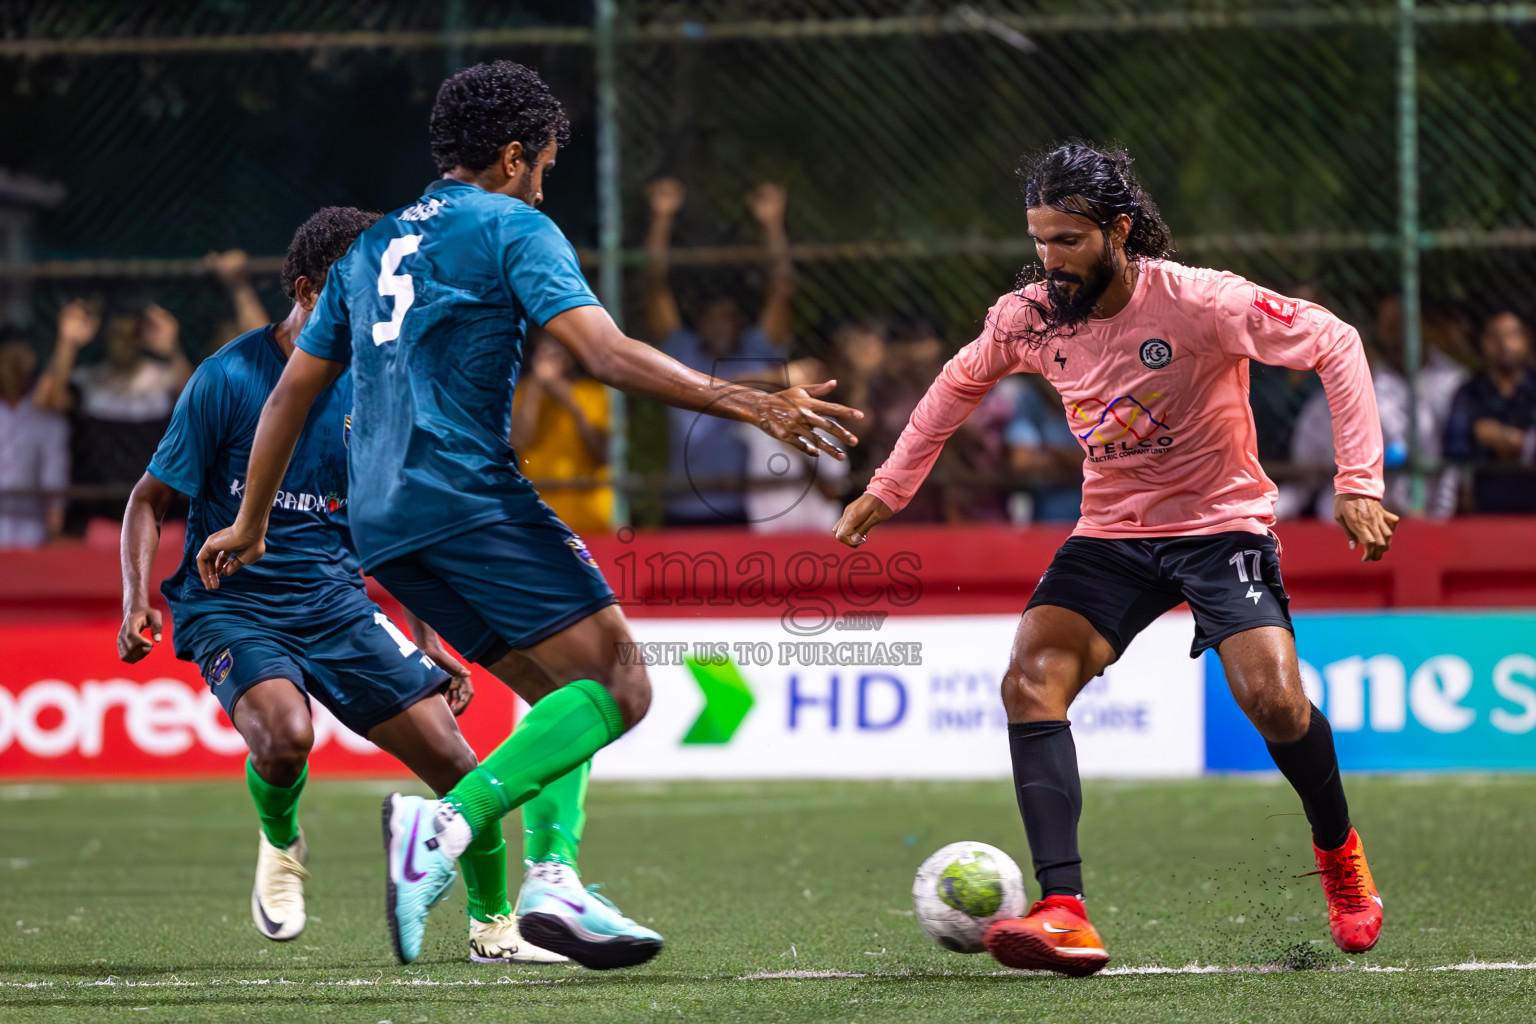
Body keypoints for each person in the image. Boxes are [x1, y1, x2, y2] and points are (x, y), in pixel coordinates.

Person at [194, 60, 857, 968]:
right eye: (542, 163)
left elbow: (290, 397)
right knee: (622, 680)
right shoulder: (513, 224)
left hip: (381, 524)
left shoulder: (371, 246)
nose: (544, 180)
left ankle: (555, 883)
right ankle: (446, 827)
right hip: (466, 495)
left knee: (560, 696)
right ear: (512, 155)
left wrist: (252, 520)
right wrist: (753, 402)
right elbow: (607, 355)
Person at [836, 143, 1396, 976]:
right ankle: (1065, 909)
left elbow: (1336, 341)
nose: (1048, 260)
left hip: (1220, 527)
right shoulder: (1026, 315)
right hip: (1112, 535)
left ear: (1118, 231)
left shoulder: (1202, 301)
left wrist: (1359, 480)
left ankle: (1340, 855)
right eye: (1038, 240)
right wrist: (890, 487)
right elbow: (957, 385)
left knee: (1276, 703)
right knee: (1030, 678)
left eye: (1067, 241)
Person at [117, 207, 567, 965]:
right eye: (349, 289)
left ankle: (495, 929)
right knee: (287, 738)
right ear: (306, 290)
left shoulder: (382, 391)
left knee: (461, 767)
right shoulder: (229, 378)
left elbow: (399, 529)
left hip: (335, 605)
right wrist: (135, 600)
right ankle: (282, 845)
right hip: (233, 607)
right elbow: (147, 500)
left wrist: (428, 638)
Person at [643, 175, 795, 524]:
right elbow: (653, 284)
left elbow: (782, 287)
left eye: (728, 316)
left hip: (745, 508)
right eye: (712, 316)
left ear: (740, 320)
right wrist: (662, 218)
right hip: (682, 509)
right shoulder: (680, 348)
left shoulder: (757, 349)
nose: (720, 323)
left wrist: (772, 224)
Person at [35, 296, 192, 530]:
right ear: (105, 338)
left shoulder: (163, 378)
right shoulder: (88, 380)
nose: (124, 343)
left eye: (132, 334)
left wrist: (172, 349)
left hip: (158, 515)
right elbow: (47, 400)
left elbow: (199, 406)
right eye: (117, 335)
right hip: (96, 516)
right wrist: (68, 342)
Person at [510, 328, 613, 532]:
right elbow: (519, 441)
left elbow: (603, 454)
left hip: (589, 519)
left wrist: (569, 400)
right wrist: (536, 386)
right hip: (538, 518)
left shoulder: (594, 393)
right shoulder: (521, 392)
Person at [1443, 308, 1536, 512]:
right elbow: (1454, 445)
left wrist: (1517, 442)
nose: (1504, 344)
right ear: (1483, 343)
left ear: (1526, 340)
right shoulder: (1469, 392)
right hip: (1486, 505)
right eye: (1495, 336)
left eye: (1512, 335)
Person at [0, 336, 69, 548]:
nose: (14, 370)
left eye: (19, 364)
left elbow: (54, 473)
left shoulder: (47, 418)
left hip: (32, 530)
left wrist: (54, 529)